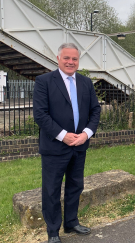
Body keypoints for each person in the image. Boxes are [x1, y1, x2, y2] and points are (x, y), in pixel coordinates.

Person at [33, 43, 101, 243]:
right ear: (58, 58)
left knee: (75, 186)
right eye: (67, 58)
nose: (70, 62)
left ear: (78, 61)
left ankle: (71, 222)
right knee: (52, 190)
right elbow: (40, 114)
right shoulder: (44, 81)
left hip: (80, 145)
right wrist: (63, 135)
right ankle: (53, 231)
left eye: (74, 59)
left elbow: (95, 111)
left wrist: (86, 134)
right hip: (55, 147)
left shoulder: (86, 83)